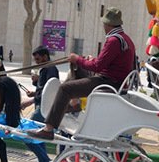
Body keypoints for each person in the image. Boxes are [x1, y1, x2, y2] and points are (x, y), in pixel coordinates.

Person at [29, 7, 134, 141]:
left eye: (104, 24)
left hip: (107, 82)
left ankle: (48, 129)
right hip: (115, 81)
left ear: (108, 24)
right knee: (77, 68)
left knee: (64, 88)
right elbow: (105, 63)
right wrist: (86, 60)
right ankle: (73, 104)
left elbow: (97, 67)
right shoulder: (125, 39)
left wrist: (77, 59)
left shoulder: (113, 40)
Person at [21, 46, 59, 162]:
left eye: (38, 59)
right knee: (38, 138)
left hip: (42, 109)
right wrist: (34, 91)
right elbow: (42, 90)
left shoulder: (50, 69)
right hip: (41, 105)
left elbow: (48, 92)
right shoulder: (46, 69)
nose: (36, 62)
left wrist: (29, 101)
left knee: (28, 136)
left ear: (45, 57)